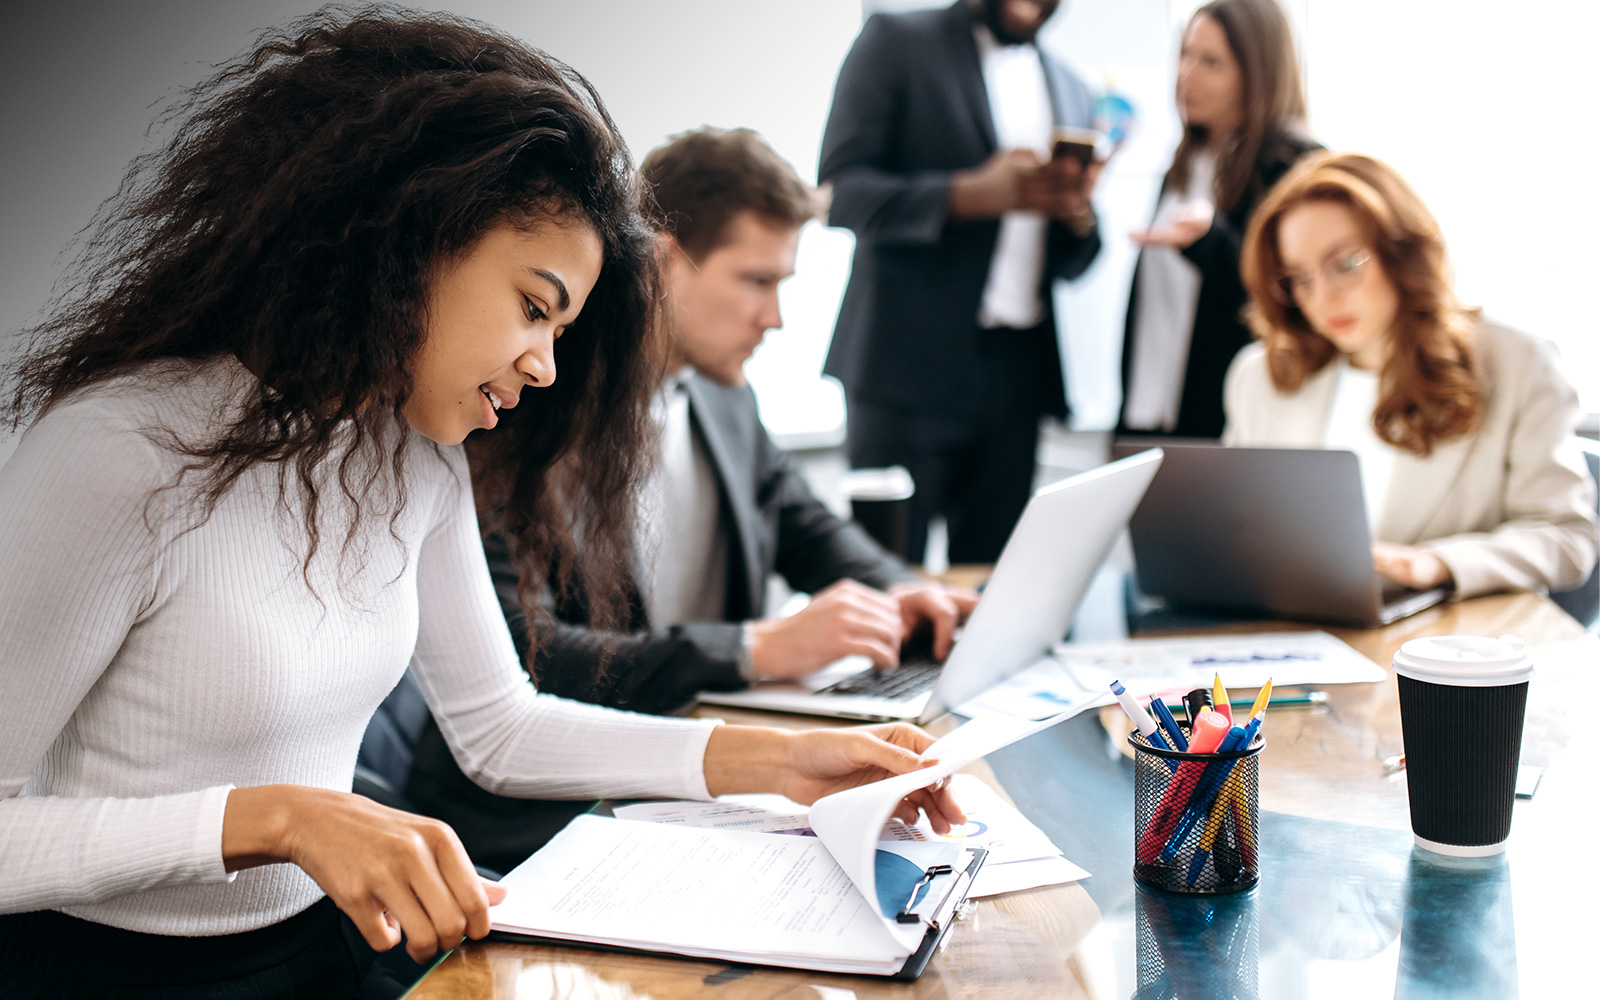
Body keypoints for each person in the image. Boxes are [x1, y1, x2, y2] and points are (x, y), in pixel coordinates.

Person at [0, 11, 962, 996]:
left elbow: (498, 726)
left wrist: (778, 759)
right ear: (406, 239)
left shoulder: (410, 447)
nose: (544, 365)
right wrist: (272, 819)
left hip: (324, 948)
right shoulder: (119, 447)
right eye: (534, 306)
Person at [405, 126, 979, 872]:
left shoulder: (724, 397)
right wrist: (753, 649)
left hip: (684, 777)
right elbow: (529, 657)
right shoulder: (514, 404)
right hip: (527, 833)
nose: (773, 318)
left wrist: (904, 592)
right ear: (664, 263)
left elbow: (801, 520)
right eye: (757, 281)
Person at [1225, 152, 1597, 598]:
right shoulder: (1260, 376)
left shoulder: (1520, 364)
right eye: (1299, 278)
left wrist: (1440, 563)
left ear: (1402, 251)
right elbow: (1238, 531)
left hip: (1450, 641)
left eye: (1345, 264)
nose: (1322, 297)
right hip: (1300, 632)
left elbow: (1567, 537)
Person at [819, 0, 1103, 565]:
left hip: (1019, 377)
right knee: (888, 579)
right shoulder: (895, 42)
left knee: (996, 585)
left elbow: (1076, 261)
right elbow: (839, 195)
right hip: (904, 368)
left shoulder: (1074, 88)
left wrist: (1078, 215)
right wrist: (968, 196)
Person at [1119, 0, 1320, 440]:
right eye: (1185, 54)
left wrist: (1210, 241)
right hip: (1150, 414)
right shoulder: (1186, 164)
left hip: (1231, 424)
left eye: (1211, 62)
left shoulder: (1294, 167)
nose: (1186, 74)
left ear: (1258, 72)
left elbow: (1291, 299)